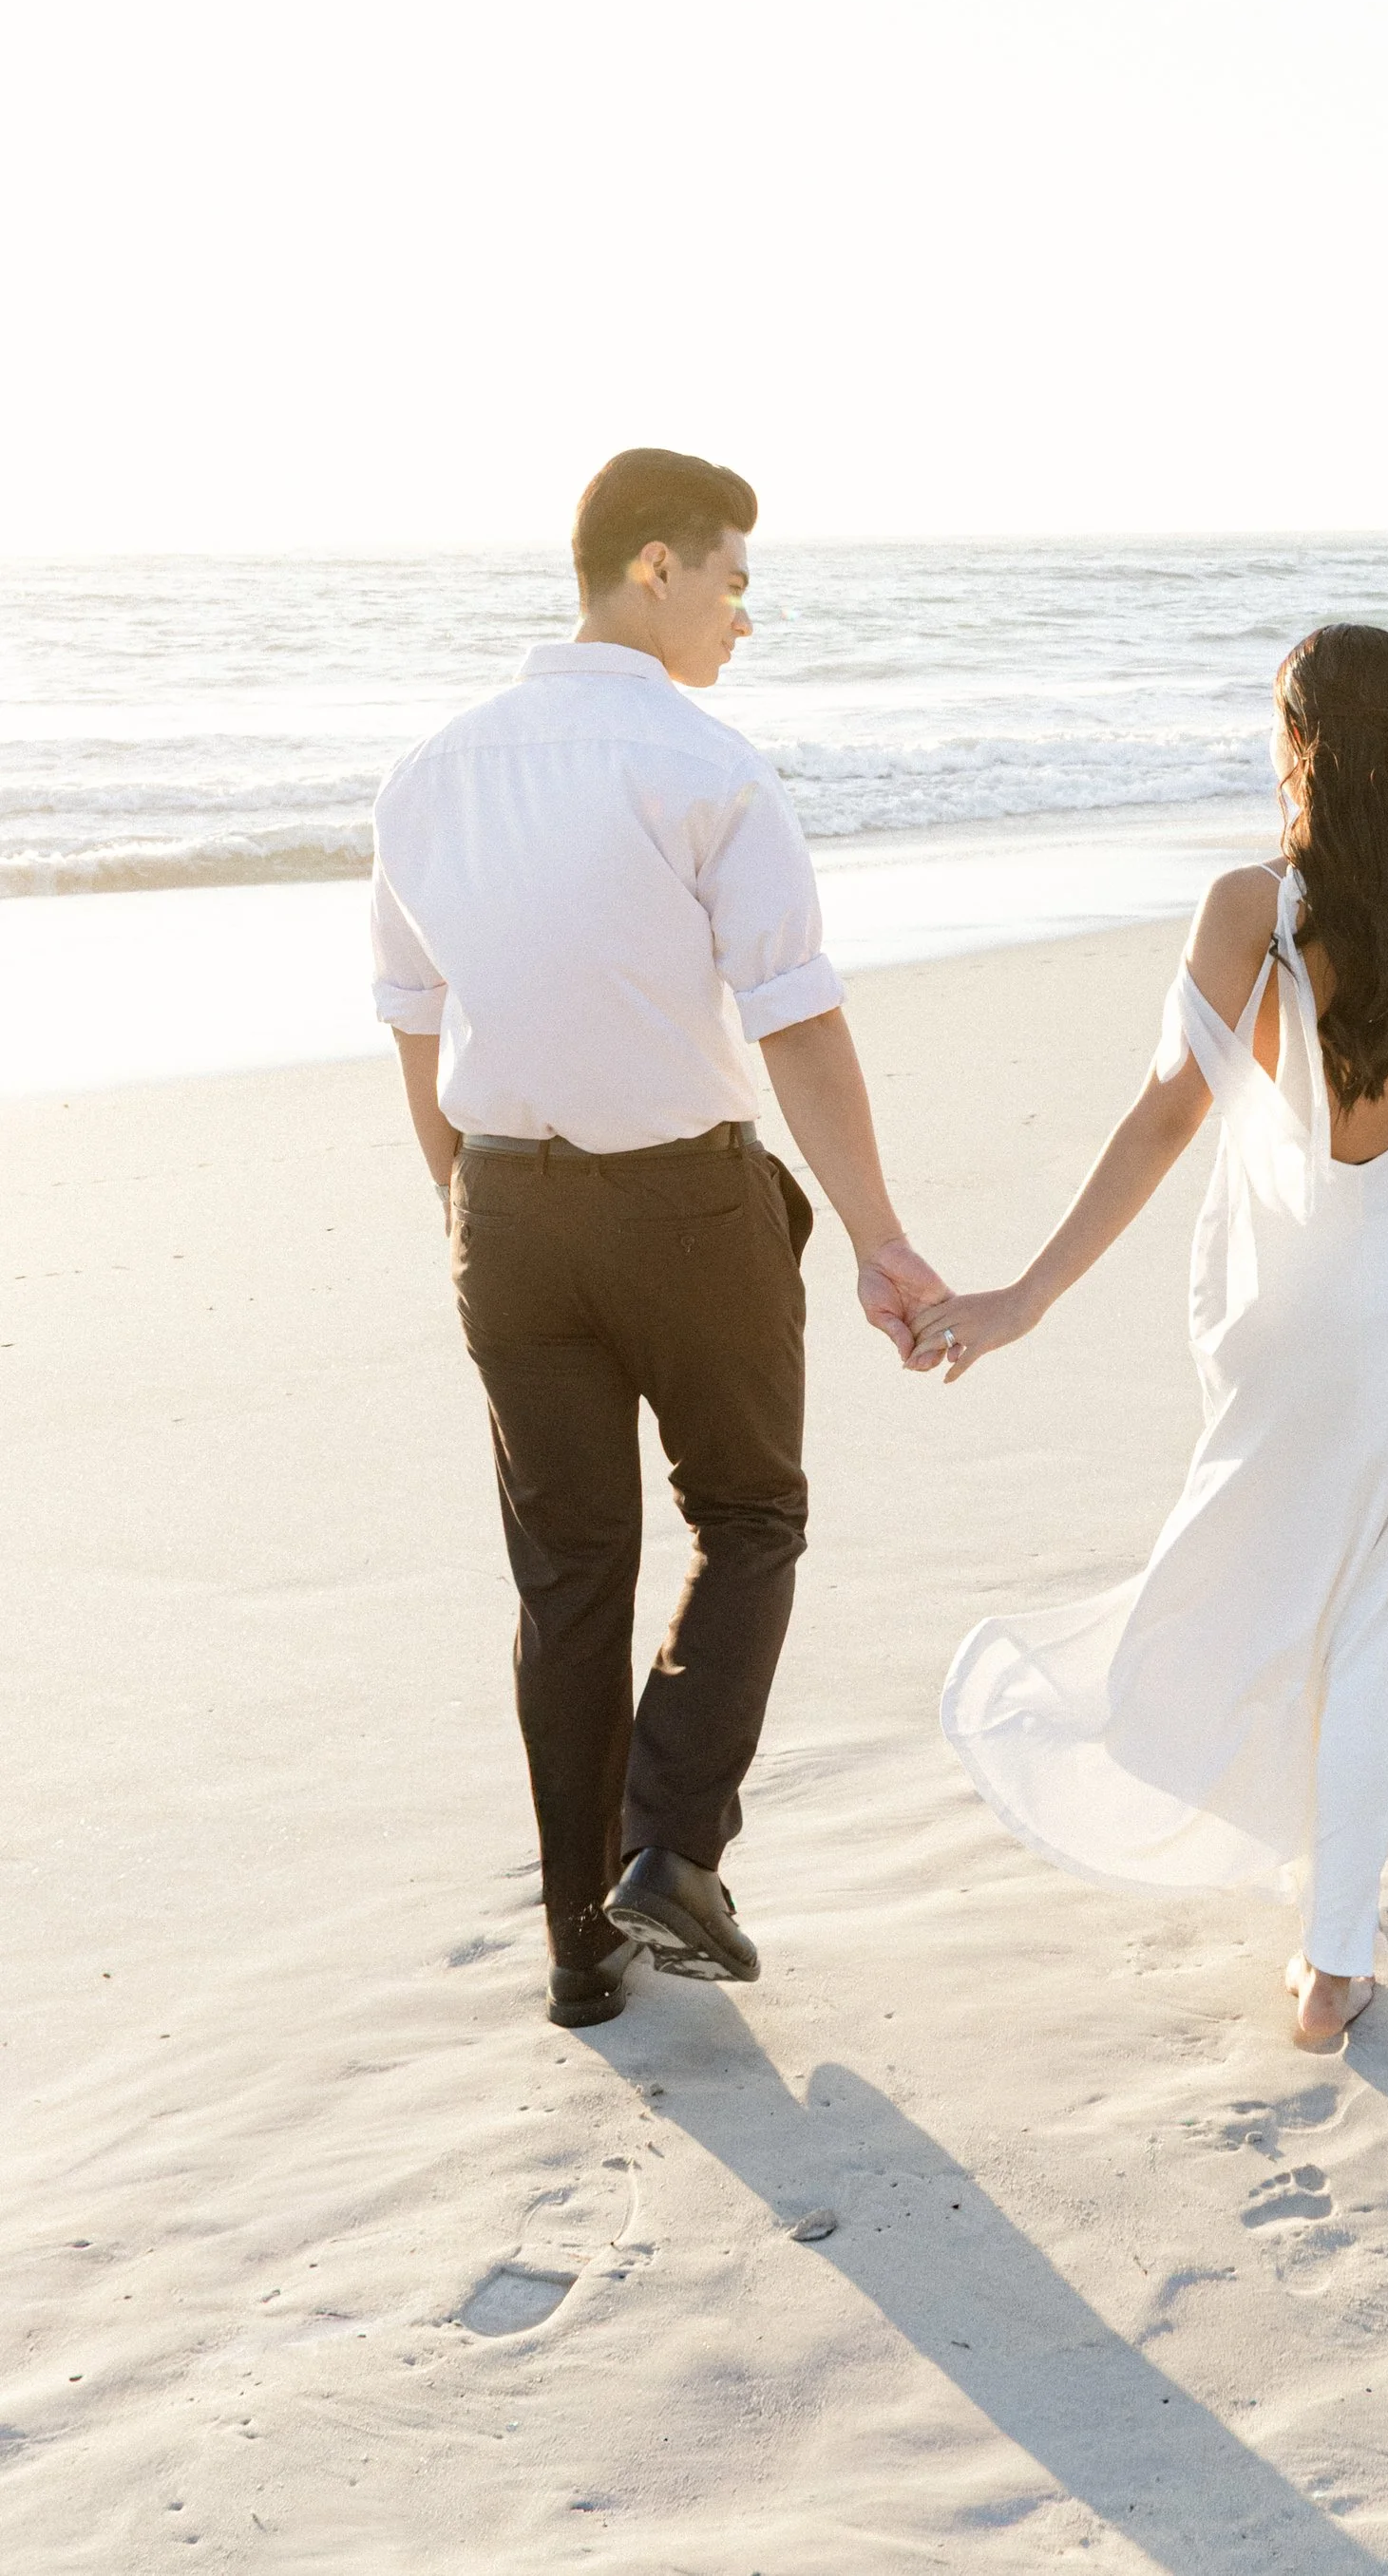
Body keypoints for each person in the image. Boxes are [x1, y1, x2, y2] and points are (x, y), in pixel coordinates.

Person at [370, 447, 946, 2030]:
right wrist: (886, 1241)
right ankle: (672, 1850)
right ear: (652, 569)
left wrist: (467, 1203)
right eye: (735, 577)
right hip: (686, 1206)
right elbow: (801, 1020)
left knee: (569, 1579)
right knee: (751, 1512)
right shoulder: (704, 764)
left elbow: (416, 1030)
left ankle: (582, 1950)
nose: (745, 614)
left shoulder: (431, 769)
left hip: (501, 1203)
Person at [922, 622, 1388, 2048]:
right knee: (1372, 1623)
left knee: (1245, 1578)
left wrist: (1025, 1295)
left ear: (1298, 743)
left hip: (1296, 1309)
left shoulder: (1251, 904)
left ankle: (1217, 1824)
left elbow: (1165, 1116)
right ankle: (1333, 1967)